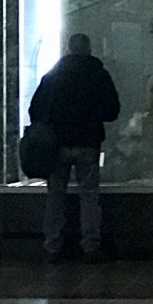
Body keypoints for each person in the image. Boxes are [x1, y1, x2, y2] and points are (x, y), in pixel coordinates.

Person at [29, 33, 121, 262]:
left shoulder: (53, 76)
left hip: (57, 145)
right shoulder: (98, 75)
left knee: (55, 197)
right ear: (89, 49)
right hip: (88, 144)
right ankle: (90, 247)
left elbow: (35, 110)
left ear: (68, 49)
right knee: (89, 196)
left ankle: (52, 246)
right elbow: (112, 110)